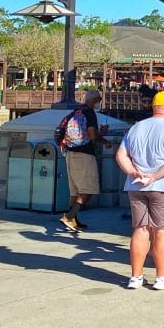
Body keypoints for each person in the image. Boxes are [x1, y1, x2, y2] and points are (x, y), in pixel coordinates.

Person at [115, 91, 164, 290]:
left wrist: (133, 172)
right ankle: (162, 277)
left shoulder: (136, 128)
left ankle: (135, 277)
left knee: (140, 229)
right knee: (163, 231)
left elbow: (121, 155)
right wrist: (155, 176)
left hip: (136, 185)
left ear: (154, 108)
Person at [59, 90, 107, 233]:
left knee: (75, 191)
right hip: (85, 155)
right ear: (93, 99)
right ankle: (69, 216)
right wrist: (103, 136)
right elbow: (92, 135)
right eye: (99, 99)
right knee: (89, 189)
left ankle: (73, 221)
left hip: (70, 153)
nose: (100, 101)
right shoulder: (90, 113)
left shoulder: (75, 112)